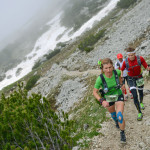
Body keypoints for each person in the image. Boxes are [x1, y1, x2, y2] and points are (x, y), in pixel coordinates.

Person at [93, 58, 126, 143]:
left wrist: (122, 85)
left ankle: (122, 133)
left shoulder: (117, 72)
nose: (108, 70)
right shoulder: (100, 79)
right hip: (108, 98)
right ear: (102, 69)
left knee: (120, 115)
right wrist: (102, 101)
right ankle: (115, 122)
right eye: (106, 68)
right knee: (114, 115)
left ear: (112, 66)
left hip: (118, 95)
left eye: (110, 67)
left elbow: (120, 78)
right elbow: (94, 92)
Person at [121, 47, 150, 121]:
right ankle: (139, 112)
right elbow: (121, 69)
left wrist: (148, 68)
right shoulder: (126, 62)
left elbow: (146, 67)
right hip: (130, 79)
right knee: (134, 95)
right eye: (129, 55)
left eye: (132, 55)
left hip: (139, 77)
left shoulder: (140, 59)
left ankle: (141, 102)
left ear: (135, 54)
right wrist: (121, 77)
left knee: (140, 92)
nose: (130, 57)